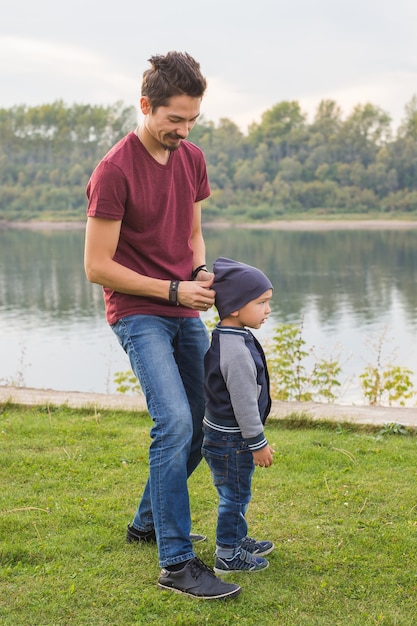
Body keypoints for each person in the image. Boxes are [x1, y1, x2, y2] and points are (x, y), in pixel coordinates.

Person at [84, 52, 241, 600]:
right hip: (138, 312)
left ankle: (147, 523)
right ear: (146, 105)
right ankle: (176, 562)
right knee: (173, 421)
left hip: (183, 308)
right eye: (175, 119)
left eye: (192, 119)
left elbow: (193, 232)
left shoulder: (191, 158)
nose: (184, 130)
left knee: (202, 423)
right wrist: (173, 289)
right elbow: (97, 266)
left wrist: (198, 271)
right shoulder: (114, 170)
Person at [202, 257, 275, 574]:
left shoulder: (228, 336)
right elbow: (244, 403)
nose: (267, 310)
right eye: (261, 302)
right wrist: (257, 443)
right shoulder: (235, 352)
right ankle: (228, 556)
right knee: (235, 495)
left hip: (224, 436)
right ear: (234, 307)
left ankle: (236, 537)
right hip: (233, 440)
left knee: (235, 491)